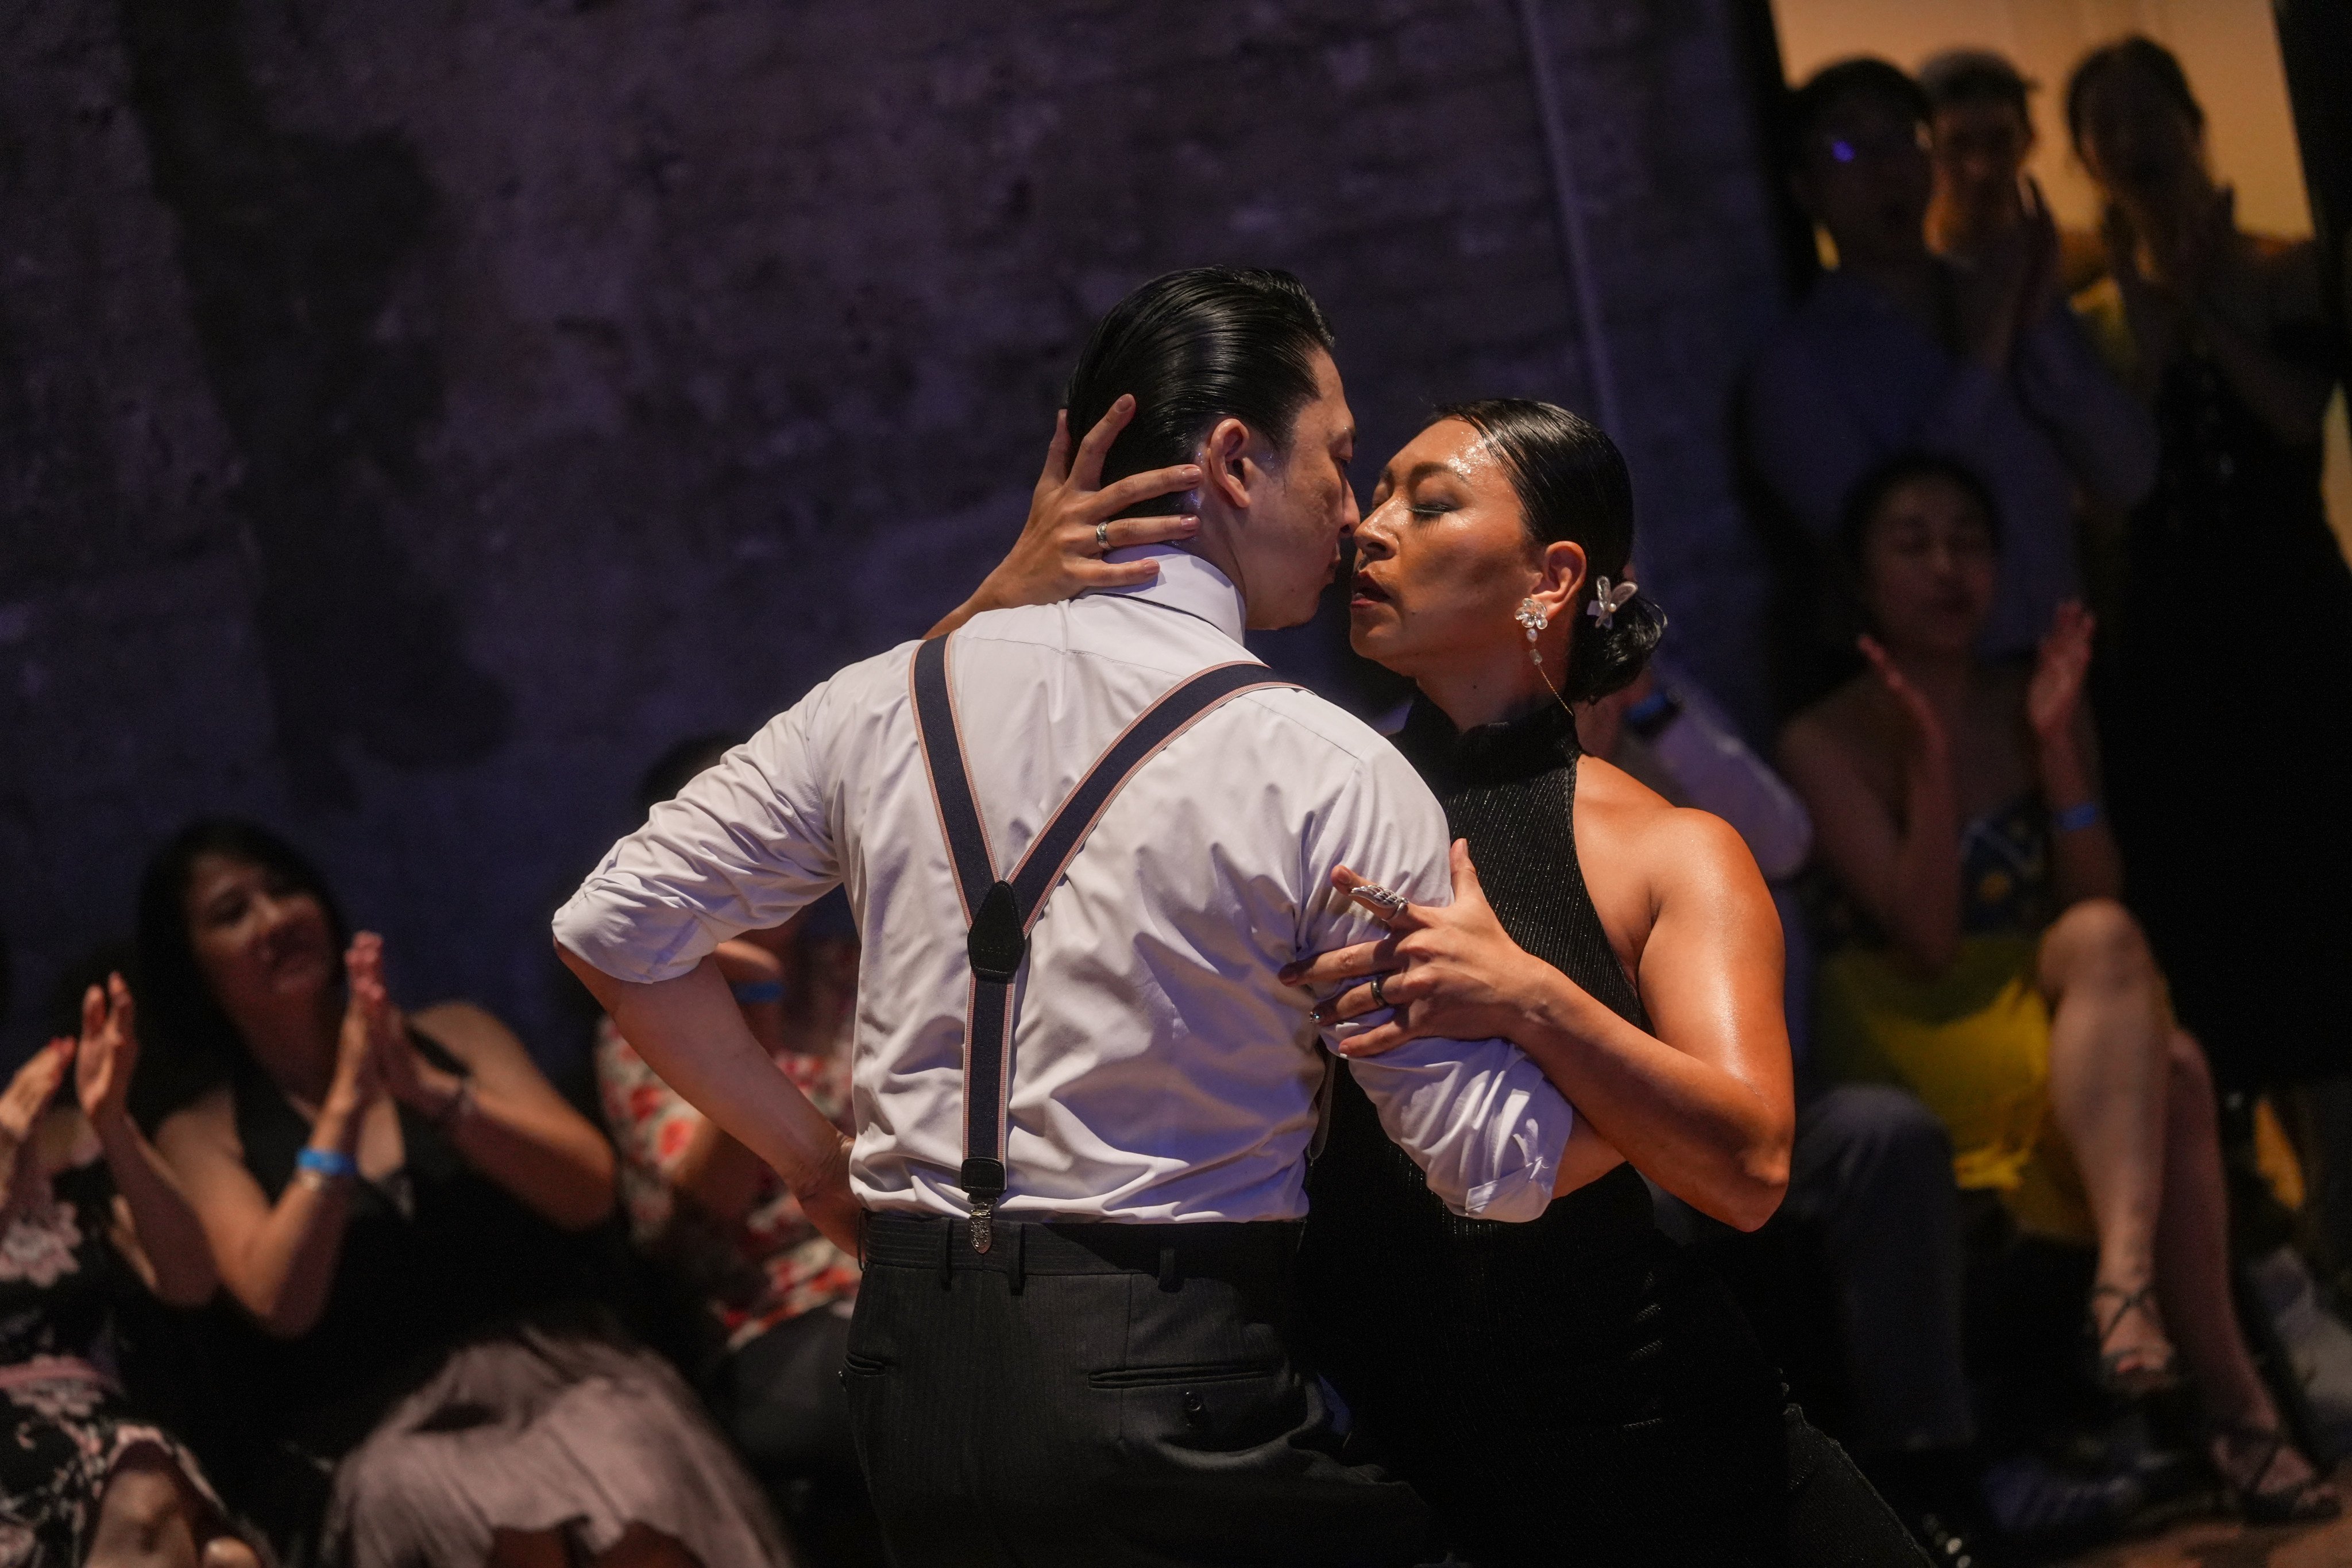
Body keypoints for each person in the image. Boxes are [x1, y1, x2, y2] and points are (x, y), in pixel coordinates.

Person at [554, 267, 1589, 1567]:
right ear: (1232, 461)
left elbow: (613, 929)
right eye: (1335, 460)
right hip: (1165, 1375)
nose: (1350, 507)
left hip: (912, 1384)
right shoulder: (1317, 760)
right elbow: (1493, 1167)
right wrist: (1596, 1036)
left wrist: (821, 1168)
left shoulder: (890, 694)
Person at [1774, 453, 2336, 1523]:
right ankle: (2237, 1411)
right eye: (1915, 542)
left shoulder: (2034, 688)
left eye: (1971, 540)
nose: (1949, 566)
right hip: (1913, 1023)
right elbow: (1930, 941)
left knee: (2106, 931)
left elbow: (2093, 889)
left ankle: (2130, 1294)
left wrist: (2056, 753)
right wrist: (1931, 762)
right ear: (1857, 577)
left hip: (2051, 1010)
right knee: (2170, 1071)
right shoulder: (1823, 736)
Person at [140, 819, 789, 1567]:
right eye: (232, 912)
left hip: (567, 1372)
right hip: (384, 1427)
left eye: (284, 889)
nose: (275, 918)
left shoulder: (454, 1033)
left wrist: (434, 1094)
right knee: (463, 1512)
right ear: (192, 967)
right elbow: (278, 1301)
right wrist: (346, 1108)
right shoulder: (202, 1130)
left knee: (632, 1460)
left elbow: (587, 1192)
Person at [2064, 36, 2352, 1096]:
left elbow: (2295, 413)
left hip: (2294, 607)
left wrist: (2196, 314)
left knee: (2323, 859)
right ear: (2086, 157)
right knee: (2205, 891)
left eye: (2152, 114)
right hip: (2164, 634)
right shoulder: (2091, 309)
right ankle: (2247, 1155)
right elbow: (2110, 483)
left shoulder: (2283, 267)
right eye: (2109, 126)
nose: (2134, 140)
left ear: (2193, 126)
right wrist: (2142, 317)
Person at [1745, 57, 2155, 700]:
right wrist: (1986, 353)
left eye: (1904, 139)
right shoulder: (1797, 364)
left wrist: (2038, 317)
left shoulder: (2003, 292)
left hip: (2080, 667)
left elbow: (2129, 473)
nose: (1887, 167)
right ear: (1805, 188)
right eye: (1850, 147)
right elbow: (1879, 542)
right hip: (1944, 705)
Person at [594, 737, 879, 1564]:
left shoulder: (857, 962)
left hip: (931, 1262)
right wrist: (745, 1025)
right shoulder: (647, 1013)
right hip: (780, 1320)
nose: (761, 859)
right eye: (730, 839)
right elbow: (688, 1229)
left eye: (774, 829)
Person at [0, 957, 257, 1567]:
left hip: (108, 1441)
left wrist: (113, 1123)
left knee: (159, 1501)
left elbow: (191, 1281)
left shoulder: (55, 1136)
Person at [1918, 49, 2104, 296]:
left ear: (2029, 139)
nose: (1980, 169)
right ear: (1926, 153)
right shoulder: (1906, 286)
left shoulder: (2085, 264)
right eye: (1958, 145)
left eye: (1999, 141)